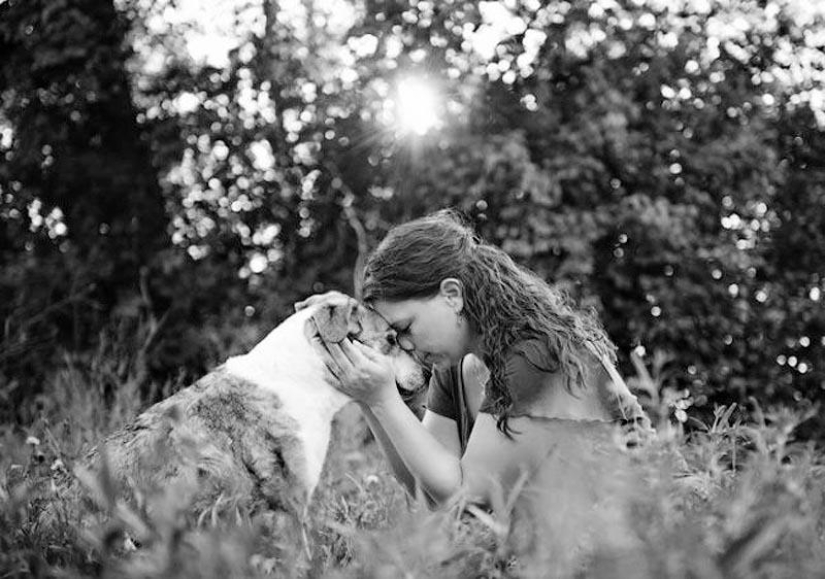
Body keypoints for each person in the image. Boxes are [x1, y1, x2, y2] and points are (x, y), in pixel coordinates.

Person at [298, 210, 652, 508]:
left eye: (405, 327)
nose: (404, 345)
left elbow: (464, 494)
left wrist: (383, 398)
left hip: (652, 528)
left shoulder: (535, 354)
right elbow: (428, 492)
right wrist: (368, 398)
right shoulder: (454, 365)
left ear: (452, 294)